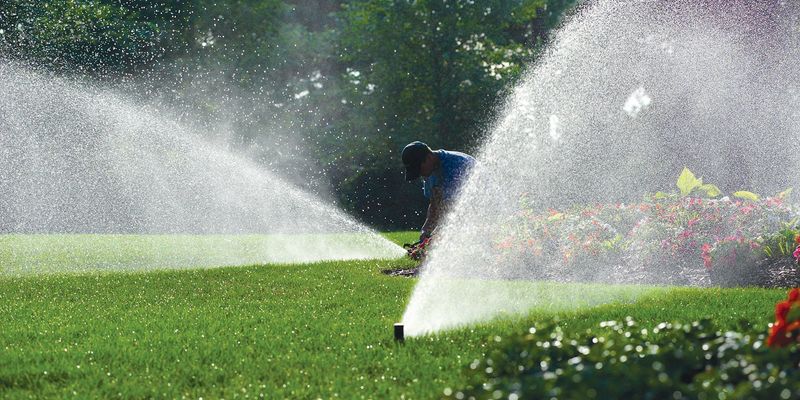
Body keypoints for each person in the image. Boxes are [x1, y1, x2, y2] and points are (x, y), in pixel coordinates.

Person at [402, 141, 476, 242]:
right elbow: (435, 204)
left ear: (429, 157)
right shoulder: (430, 170)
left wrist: (436, 236)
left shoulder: (456, 166)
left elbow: (454, 208)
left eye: (419, 168)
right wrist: (426, 231)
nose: (419, 174)